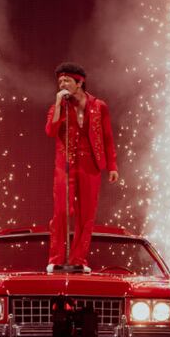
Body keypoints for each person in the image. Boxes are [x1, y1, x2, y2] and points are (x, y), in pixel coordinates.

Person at [45, 62, 118, 273]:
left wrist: (112, 165)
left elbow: (107, 137)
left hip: (91, 165)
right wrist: (58, 104)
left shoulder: (98, 106)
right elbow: (50, 131)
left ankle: (79, 259)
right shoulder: (58, 106)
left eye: (66, 80)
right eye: (59, 81)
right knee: (61, 211)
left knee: (86, 215)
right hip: (65, 166)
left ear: (79, 82)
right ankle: (56, 258)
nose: (62, 84)